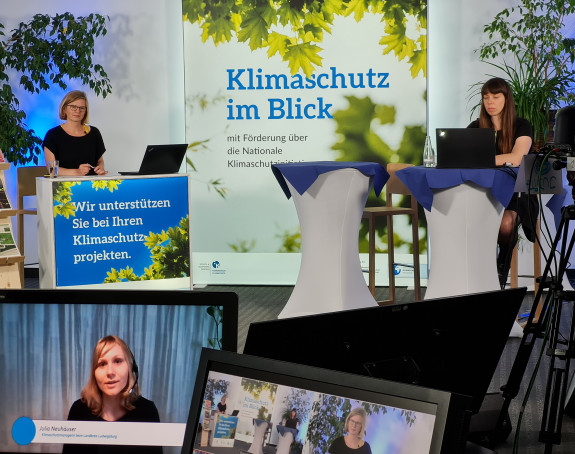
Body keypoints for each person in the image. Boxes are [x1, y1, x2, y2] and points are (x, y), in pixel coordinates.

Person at [467, 77, 539, 288]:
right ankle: (480, 277)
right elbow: (462, 159)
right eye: (486, 97)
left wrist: (480, 160)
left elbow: (517, 158)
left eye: (496, 97)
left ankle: (498, 277)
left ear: (506, 99)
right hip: (484, 194)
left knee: (506, 223)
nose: (490, 102)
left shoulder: (522, 125)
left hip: (516, 195)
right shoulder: (474, 127)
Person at [62, 335, 161, 454]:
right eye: (102, 364)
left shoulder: (147, 411)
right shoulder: (79, 410)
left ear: (131, 368)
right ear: (94, 373)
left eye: (118, 361)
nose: (110, 372)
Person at [43, 90, 108, 176]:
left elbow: (100, 161)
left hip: (91, 186)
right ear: (64, 108)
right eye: (73, 107)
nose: (78, 111)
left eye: (82, 108)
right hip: (64, 187)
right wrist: (77, 172)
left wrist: (100, 168)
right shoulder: (52, 135)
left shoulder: (94, 133)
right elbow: (52, 170)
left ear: (85, 111)